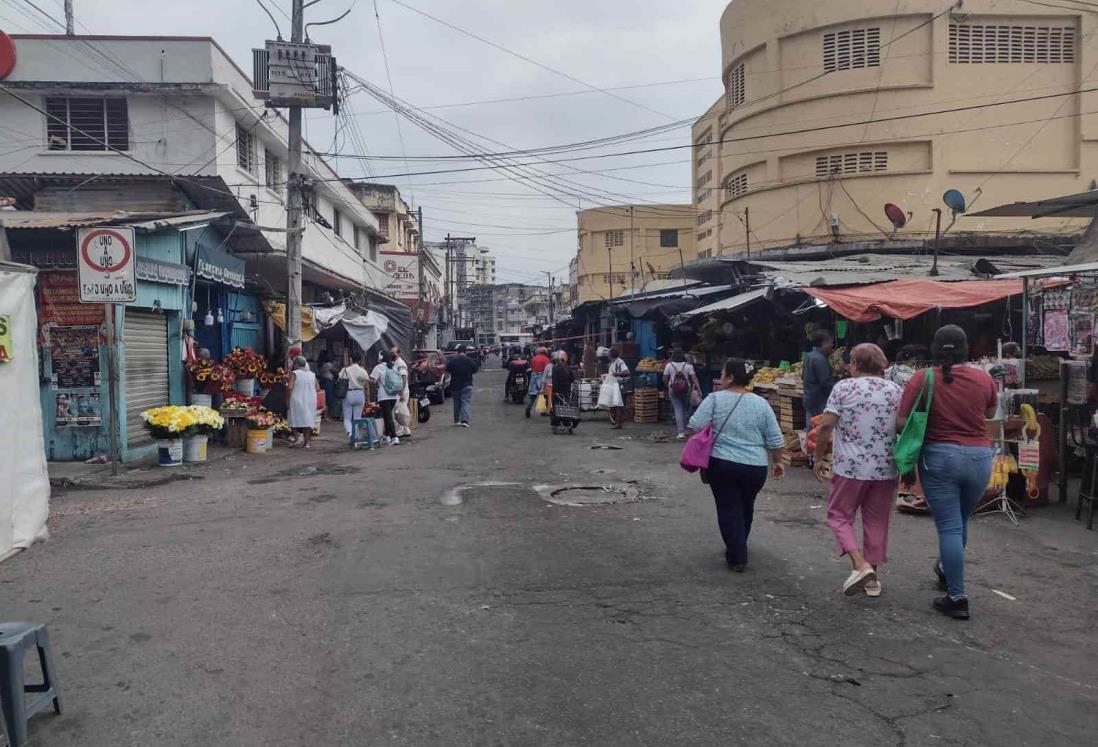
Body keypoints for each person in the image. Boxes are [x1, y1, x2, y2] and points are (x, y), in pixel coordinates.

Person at [897, 325, 998, 621]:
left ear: (934, 348)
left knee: (950, 527)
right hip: (980, 458)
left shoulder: (922, 379)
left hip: (940, 459)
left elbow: (902, 422)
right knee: (960, 522)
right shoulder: (983, 378)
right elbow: (990, 414)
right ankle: (945, 569)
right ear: (966, 349)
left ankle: (957, 596)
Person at [813, 343, 902, 598]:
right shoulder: (895, 390)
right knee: (876, 521)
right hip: (885, 468)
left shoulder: (843, 388)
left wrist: (819, 457)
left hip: (849, 467)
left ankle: (860, 564)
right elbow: (900, 426)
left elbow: (827, 426)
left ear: (854, 363)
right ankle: (872, 581)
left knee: (839, 516)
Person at [688, 359, 785, 571]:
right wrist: (777, 462)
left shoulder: (714, 399)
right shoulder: (761, 403)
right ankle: (738, 544)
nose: (720, 378)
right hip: (755, 467)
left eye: (722, 374)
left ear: (731, 378)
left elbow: (695, 425)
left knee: (728, 507)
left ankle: (737, 555)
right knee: (745, 506)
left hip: (723, 464)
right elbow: (776, 440)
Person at [663, 349, 701, 440]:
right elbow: (694, 378)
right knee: (686, 409)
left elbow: (664, 378)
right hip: (686, 390)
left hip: (673, 390)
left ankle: (681, 433)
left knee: (677, 410)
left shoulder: (669, 365)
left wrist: (668, 386)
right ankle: (687, 428)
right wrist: (699, 390)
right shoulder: (688, 366)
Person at [371, 350, 406, 445]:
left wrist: (367, 379)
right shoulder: (393, 366)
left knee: (388, 417)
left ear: (380, 358)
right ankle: (387, 436)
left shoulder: (378, 367)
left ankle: (394, 437)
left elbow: (374, 381)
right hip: (393, 396)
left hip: (384, 396)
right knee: (387, 416)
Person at [802, 329, 835, 423]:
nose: (832, 345)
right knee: (818, 429)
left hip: (810, 399)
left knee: (811, 428)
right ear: (824, 343)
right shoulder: (820, 360)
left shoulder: (809, 356)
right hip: (819, 403)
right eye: (830, 342)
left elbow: (802, 376)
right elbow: (826, 383)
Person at [287, 355, 320, 448]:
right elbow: (318, 388)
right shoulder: (312, 374)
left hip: (297, 399)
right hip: (310, 400)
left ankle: (297, 438)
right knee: (308, 420)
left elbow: (290, 387)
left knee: (293, 418)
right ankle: (306, 442)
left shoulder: (294, 373)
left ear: (296, 364)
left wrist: (287, 399)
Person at [445, 344, 479, 427]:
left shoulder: (453, 361)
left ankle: (456, 420)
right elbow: (475, 370)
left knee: (456, 403)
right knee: (465, 402)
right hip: (467, 385)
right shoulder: (470, 360)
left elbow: (447, 369)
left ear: (457, 352)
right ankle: (464, 421)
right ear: (465, 352)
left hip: (455, 385)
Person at [338, 356, 370, 438]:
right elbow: (366, 381)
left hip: (348, 394)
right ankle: (357, 437)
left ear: (351, 359)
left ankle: (350, 433)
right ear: (359, 360)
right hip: (359, 393)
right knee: (357, 418)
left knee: (347, 418)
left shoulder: (345, 370)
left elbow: (339, 379)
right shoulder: (363, 371)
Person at [600, 348, 630, 429]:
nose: (608, 356)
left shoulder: (620, 362)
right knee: (617, 405)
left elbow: (627, 372)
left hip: (620, 386)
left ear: (611, 355)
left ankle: (620, 421)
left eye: (609, 354)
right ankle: (619, 422)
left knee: (618, 405)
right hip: (614, 386)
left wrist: (616, 374)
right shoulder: (613, 362)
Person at [550, 350, 576, 434]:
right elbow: (572, 379)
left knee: (556, 408)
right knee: (566, 407)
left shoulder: (555, 368)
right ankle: (568, 425)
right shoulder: (568, 368)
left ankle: (556, 425)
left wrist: (554, 392)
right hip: (566, 391)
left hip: (558, 391)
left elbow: (555, 381)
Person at [390, 346, 412, 438]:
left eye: (393, 353)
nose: (392, 355)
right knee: (401, 410)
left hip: (401, 391)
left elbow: (404, 378)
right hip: (399, 391)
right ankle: (406, 430)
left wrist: (401, 392)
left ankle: (399, 431)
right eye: (391, 353)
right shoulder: (395, 363)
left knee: (398, 411)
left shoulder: (400, 363)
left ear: (399, 353)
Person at [526, 347, 551, 418]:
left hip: (534, 377)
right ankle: (546, 411)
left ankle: (528, 408)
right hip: (542, 377)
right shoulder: (546, 359)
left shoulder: (534, 358)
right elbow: (547, 369)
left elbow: (532, 367)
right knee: (546, 395)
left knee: (533, 395)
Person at [318, 353, 339, 421]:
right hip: (328, 382)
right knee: (328, 399)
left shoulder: (322, 365)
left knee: (324, 399)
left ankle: (324, 415)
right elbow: (336, 372)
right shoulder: (329, 365)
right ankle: (326, 416)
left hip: (323, 381)